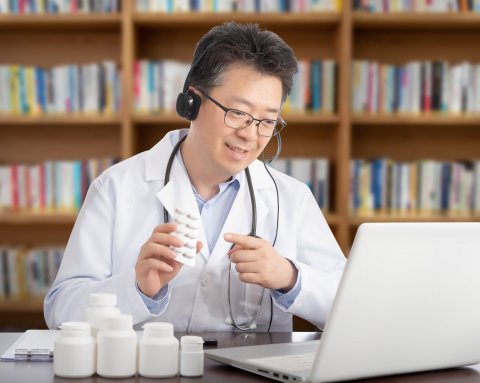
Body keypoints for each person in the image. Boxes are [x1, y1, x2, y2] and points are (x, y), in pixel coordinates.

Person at [44, 22, 346, 332]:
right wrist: (136, 289)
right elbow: (61, 311)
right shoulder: (116, 188)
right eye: (238, 113)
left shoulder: (291, 198)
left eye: (267, 121)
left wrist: (290, 278)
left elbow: (351, 306)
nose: (250, 135)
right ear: (192, 102)